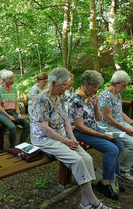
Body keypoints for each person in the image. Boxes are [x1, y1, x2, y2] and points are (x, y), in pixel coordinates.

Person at [30, 68, 111, 209]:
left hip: (63, 136)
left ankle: (85, 202)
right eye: (64, 85)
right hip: (45, 138)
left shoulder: (60, 97)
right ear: (54, 83)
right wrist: (66, 141)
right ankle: (93, 201)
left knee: (87, 159)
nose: (66, 88)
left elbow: (66, 119)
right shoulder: (42, 99)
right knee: (77, 160)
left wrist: (72, 138)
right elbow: (44, 128)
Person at [69, 70, 123, 200]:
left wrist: (96, 106)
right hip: (80, 132)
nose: (96, 90)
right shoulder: (76, 100)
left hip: (94, 128)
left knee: (119, 145)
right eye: (95, 87)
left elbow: (98, 119)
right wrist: (103, 136)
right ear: (86, 85)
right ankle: (105, 183)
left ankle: (113, 178)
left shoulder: (90, 97)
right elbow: (80, 126)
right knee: (112, 149)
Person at [98, 70, 133, 182]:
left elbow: (120, 113)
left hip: (119, 124)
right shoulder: (106, 95)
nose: (125, 88)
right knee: (132, 144)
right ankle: (123, 170)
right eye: (123, 85)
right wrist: (126, 129)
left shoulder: (117, 94)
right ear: (115, 83)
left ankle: (128, 164)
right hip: (107, 126)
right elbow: (108, 117)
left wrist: (131, 123)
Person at [0, 70, 30, 148]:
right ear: (4, 80)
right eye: (10, 78)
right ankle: (12, 147)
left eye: (13, 78)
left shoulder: (14, 89)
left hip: (12, 111)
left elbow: (15, 103)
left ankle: (22, 145)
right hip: (1, 113)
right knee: (12, 127)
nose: (12, 80)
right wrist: (9, 116)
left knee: (27, 124)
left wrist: (18, 113)